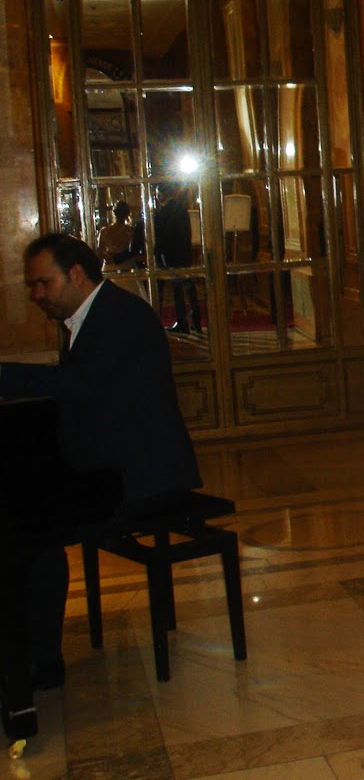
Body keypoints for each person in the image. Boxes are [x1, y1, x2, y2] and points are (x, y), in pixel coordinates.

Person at [0, 234, 201, 739]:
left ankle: (40, 662)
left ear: (76, 275)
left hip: (146, 474)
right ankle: (38, 656)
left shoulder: (121, 317)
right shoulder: (91, 315)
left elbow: (80, 386)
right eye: (32, 285)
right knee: (34, 534)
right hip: (111, 464)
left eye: (43, 283)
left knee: (35, 543)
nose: (36, 294)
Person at [154, 183, 200, 333]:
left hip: (172, 257)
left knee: (178, 291)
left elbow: (161, 239)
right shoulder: (182, 209)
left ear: (161, 195)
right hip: (185, 254)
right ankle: (197, 321)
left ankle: (182, 322)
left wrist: (158, 256)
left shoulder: (162, 213)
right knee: (190, 289)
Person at [96, 200, 139, 272]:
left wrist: (108, 258)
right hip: (126, 265)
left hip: (110, 265)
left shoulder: (105, 231)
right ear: (127, 214)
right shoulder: (130, 230)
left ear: (114, 213)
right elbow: (134, 251)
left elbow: (99, 252)